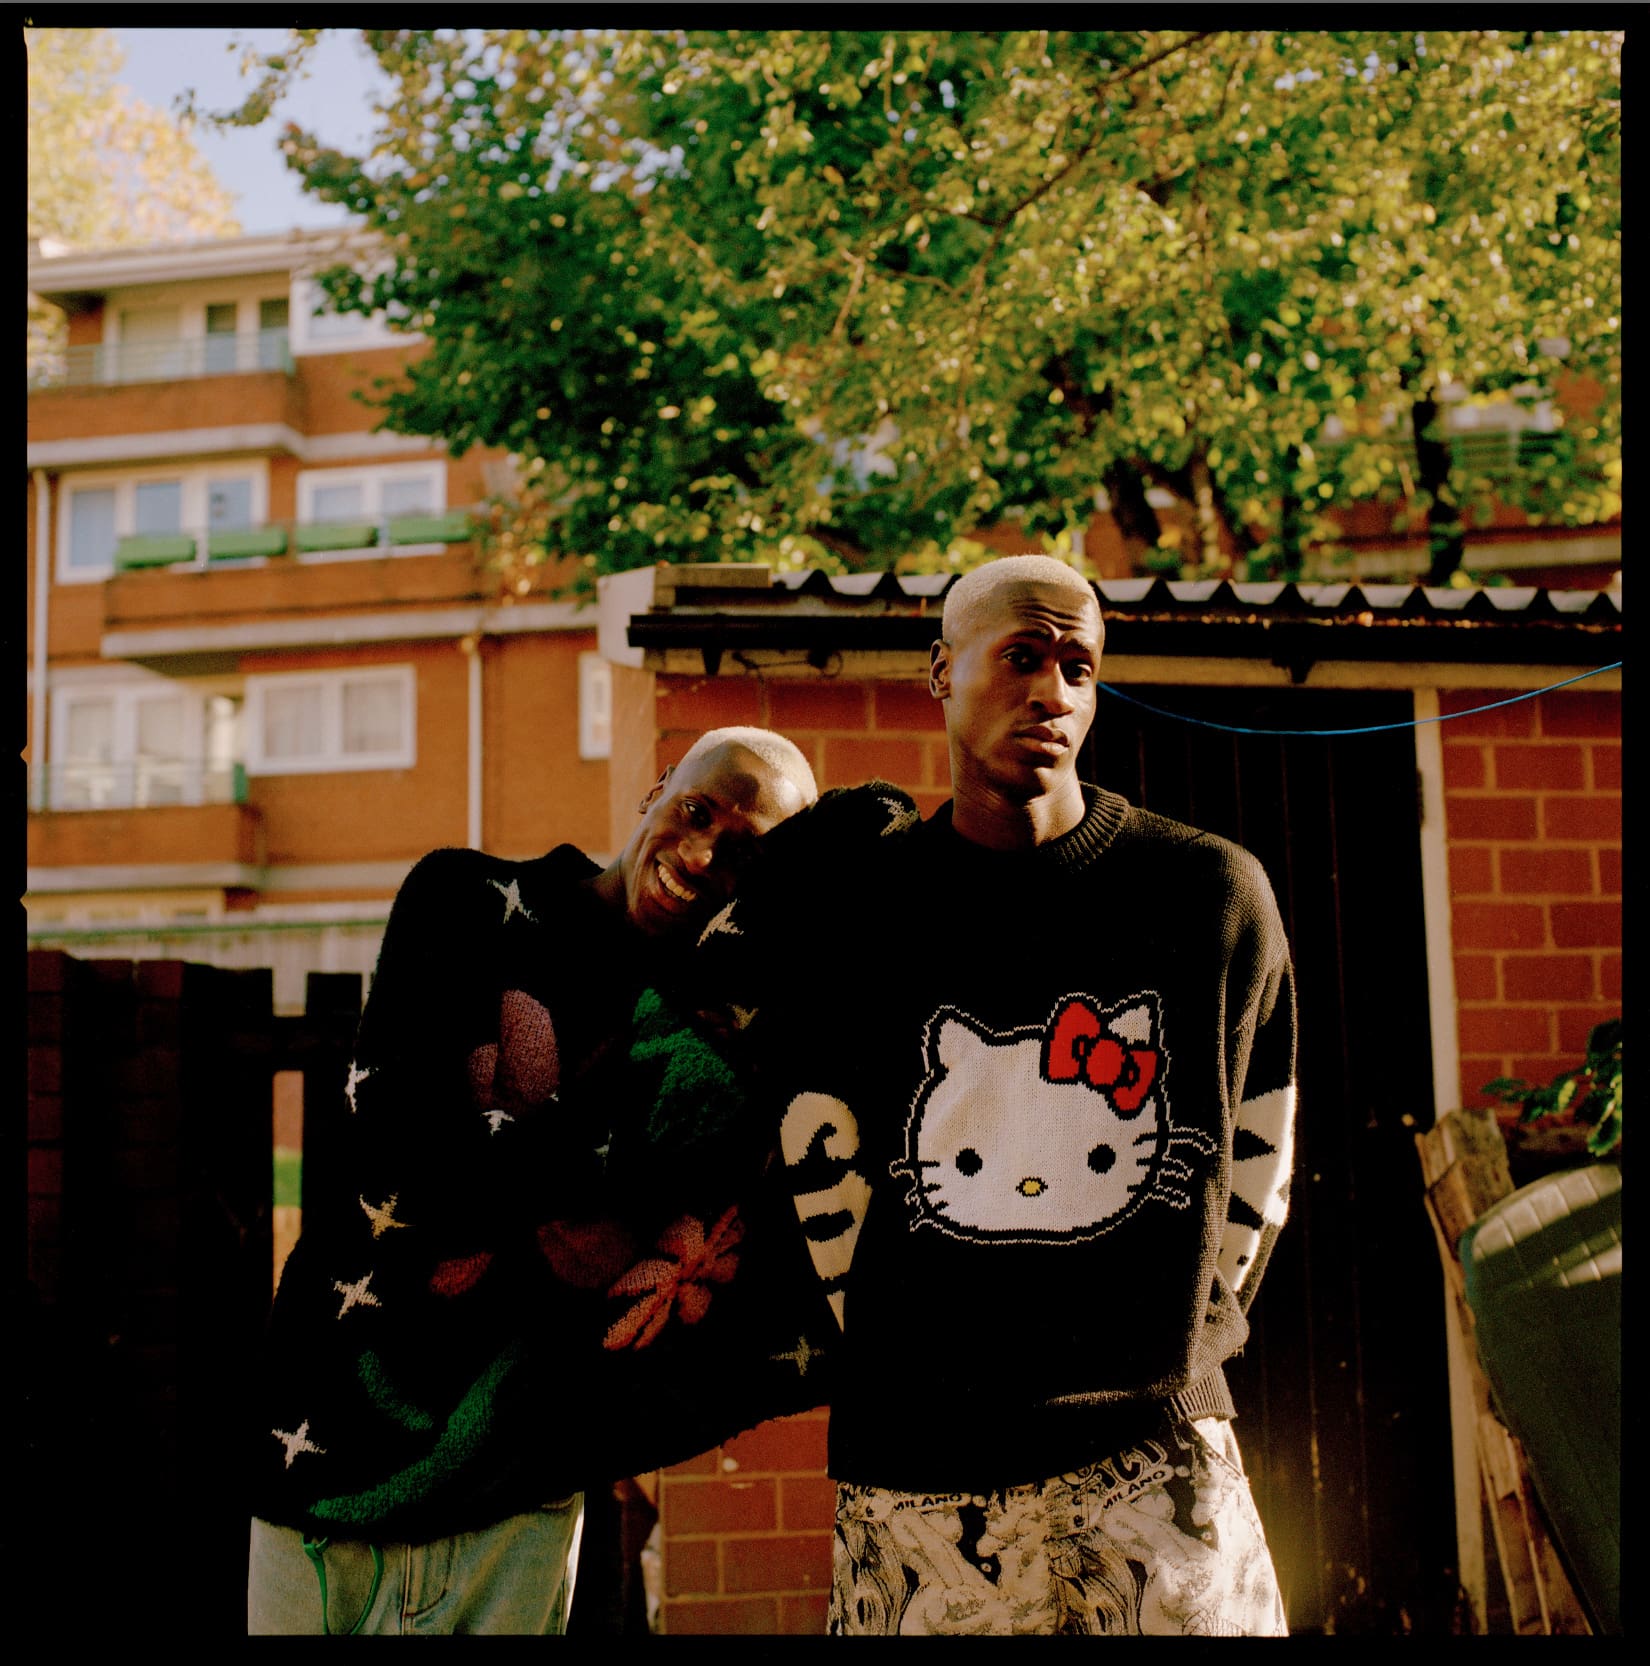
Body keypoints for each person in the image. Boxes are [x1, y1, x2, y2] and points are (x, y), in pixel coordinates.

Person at [734, 556, 1298, 1635]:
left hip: (1158, 1468)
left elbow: (1259, 1155)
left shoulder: (1209, 893)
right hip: (919, 1484)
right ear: (941, 673)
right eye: (1022, 656)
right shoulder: (863, 909)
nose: (1051, 691)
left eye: (1078, 666)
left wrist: (1177, 1345)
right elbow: (820, 1151)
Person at [246, 726, 827, 1635]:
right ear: (657, 787)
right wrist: (621, 1164)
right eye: (697, 809)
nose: (705, 853)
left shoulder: (726, 1047)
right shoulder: (467, 902)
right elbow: (415, 1155)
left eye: (750, 855)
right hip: (318, 1475)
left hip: (510, 1518)